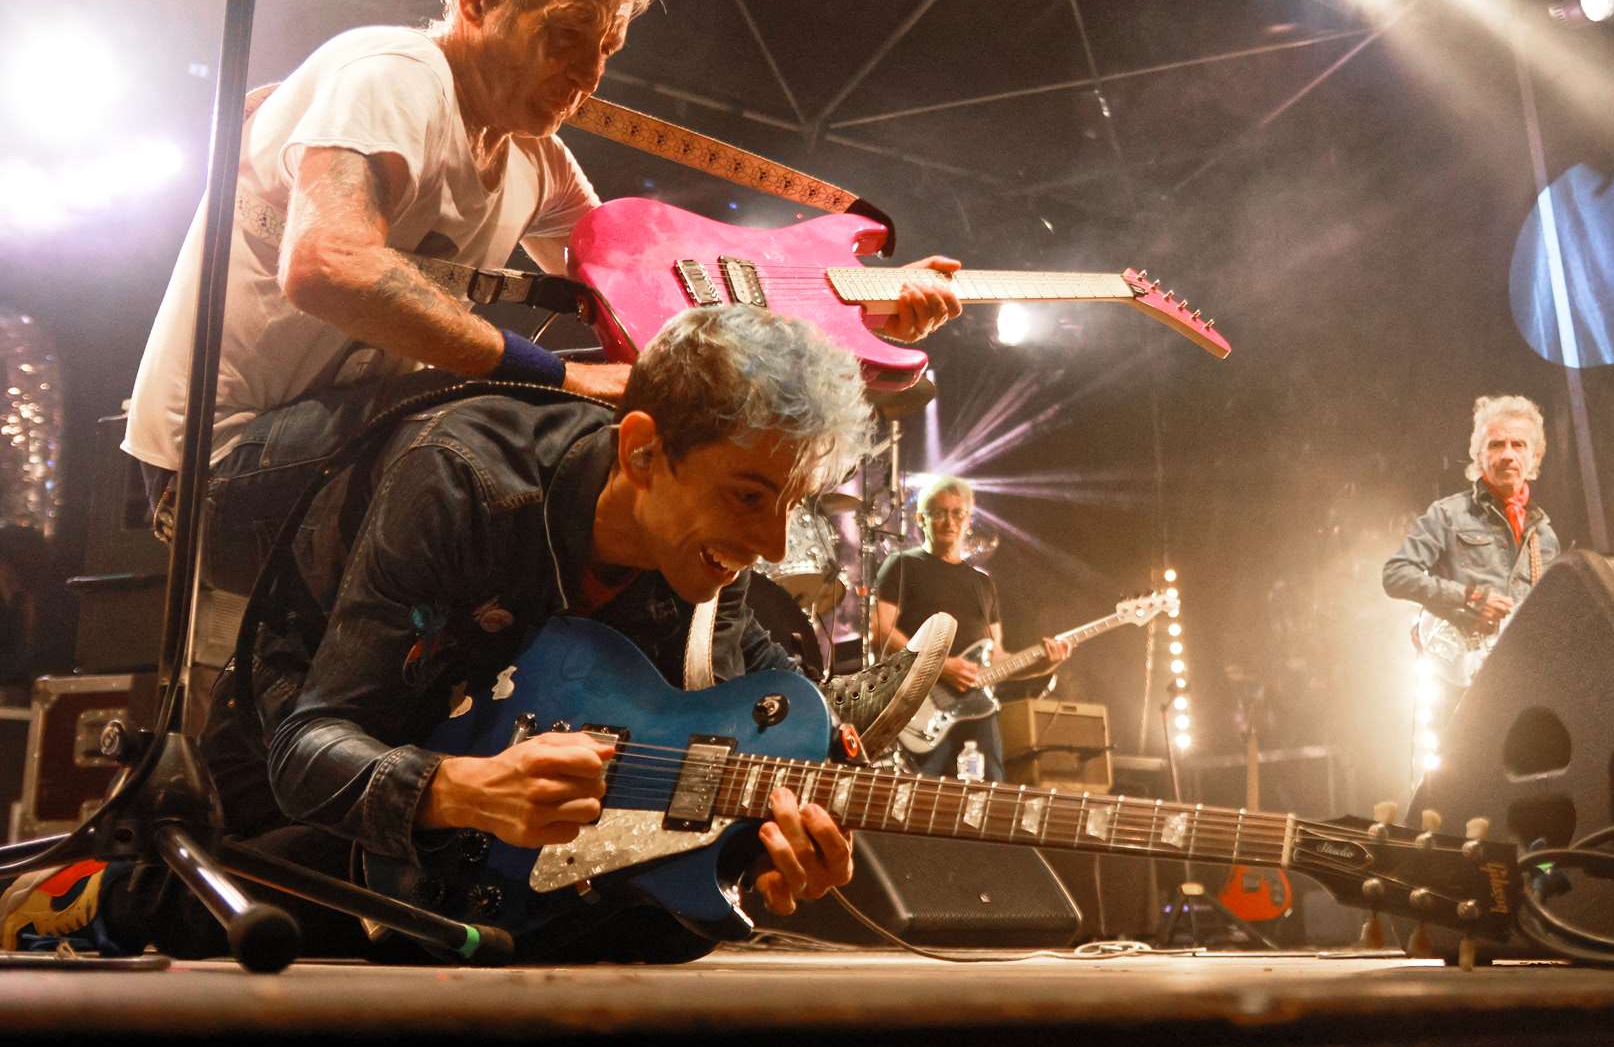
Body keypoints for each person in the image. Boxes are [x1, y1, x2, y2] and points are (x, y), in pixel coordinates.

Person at [3, 306, 952, 963]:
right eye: (748, 497)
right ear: (641, 452)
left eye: (792, 503)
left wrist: (769, 853)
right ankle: (81, 897)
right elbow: (307, 748)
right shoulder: (459, 475)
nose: (771, 544)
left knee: (639, 931)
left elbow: (711, 774)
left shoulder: (709, 570)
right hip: (308, 765)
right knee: (302, 906)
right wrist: (461, 789)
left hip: (497, 841)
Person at [121, 0, 961, 579]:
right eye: (566, 37)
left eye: (608, 48)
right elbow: (326, 265)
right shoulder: (392, 73)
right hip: (217, 471)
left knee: (651, 415)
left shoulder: (533, 158)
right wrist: (554, 374)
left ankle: (719, 682)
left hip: (344, 448)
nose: (589, 76)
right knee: (532, 417)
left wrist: (858, 306)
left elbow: (658, 297)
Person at [871, 475, 1070, 781]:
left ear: (968, 520)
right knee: (920, 795)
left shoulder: (982, 584)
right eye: (939, 513)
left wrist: (1043, 665)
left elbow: (996, 659)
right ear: (921, 519)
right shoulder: (901, 565)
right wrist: (941, 667)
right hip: (920, 709)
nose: (949, 521)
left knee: (989, 795)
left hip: (978, 711)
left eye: (957, 513)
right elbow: (881, 634)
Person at [1382, 394, 1561, 681]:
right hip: (1455, 680)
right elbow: (1396, 574)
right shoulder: (1448, 514)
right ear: (1479, 456)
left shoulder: (1545, 536)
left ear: (1535, 457)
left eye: (1518, 445)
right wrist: (1468, 597)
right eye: (1496, 444)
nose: (1507, 455)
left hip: (1520, 680)